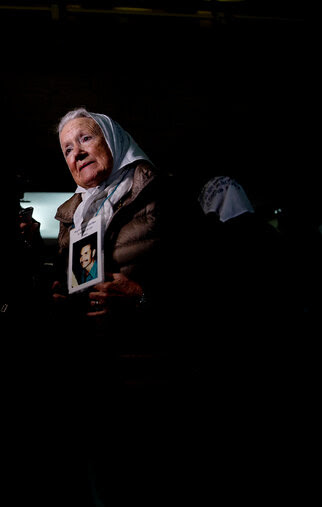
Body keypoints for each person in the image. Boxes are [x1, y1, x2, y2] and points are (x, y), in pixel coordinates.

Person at [50, 107, 211, 506]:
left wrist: (141, 296)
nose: (77, 153)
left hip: (155, 386)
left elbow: (211, 287)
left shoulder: (164, 198)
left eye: (85, 139)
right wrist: (60, 304)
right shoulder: (72, 218)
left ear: (113, 140)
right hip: (93, 388)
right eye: (68, 148)